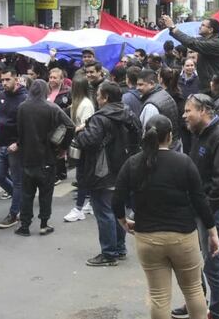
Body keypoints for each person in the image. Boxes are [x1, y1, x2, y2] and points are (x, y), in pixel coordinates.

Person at [114, 114, 219, 319]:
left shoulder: (133, 163)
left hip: (148, 238)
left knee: (159, 296)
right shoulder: (184, 162)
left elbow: (117, 200)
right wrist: (212, 231)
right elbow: (200, 201)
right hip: (183, 237)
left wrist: (124, 222)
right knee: (193, 290)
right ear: (170, 137)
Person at [175, 93, 219, 319]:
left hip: (214, 212)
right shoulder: (200, 133)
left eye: (188, 110)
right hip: (199, 209)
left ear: (203, 111)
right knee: (191, 258)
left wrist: (205, 211)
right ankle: (197, 302)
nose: (184, 115)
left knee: (213, 265)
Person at [75, 81, 141, 266]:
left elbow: (90, 141)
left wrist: (80, 132)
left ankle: (109, 253)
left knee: (105, 212)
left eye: (98, 95)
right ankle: (119, 248)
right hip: (125, 169)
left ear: (105, 98)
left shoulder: (100, 118)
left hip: (103, 171)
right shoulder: (129, 114)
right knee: (117, 210)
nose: (96, 98)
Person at [14, 79, 75, 236]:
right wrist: (62, 147)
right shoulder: (52, 107)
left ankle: (25, 225)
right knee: (46, 193)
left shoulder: (22, 107)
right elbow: (70, 126)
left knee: (27, 194)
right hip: (47, 157)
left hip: (27, 158)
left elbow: (19, 133)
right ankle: (44, 224)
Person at [0, 68, 26, 229]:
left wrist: (19, 143)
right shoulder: (1, 96)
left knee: (18, 180)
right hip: (0, 144)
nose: (4, 83)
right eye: (2, 80)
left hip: (15, 146)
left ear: (16, 79)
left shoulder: (24, 98)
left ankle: (14, 213)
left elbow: (28, 125)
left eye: (7, 80)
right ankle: (21, 199)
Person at [162, 15, 219, 93]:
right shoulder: (207, 40)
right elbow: (189, 40)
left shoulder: (216, 43)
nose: (200, 27)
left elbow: (192, 42)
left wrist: (173, 28)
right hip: (208, 86)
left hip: (213, 87)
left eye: (203, 25)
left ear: (210, 30)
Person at [64, 74, 96, 222]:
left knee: (82, 176)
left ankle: (79, 208)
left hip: (85, 144)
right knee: (83, 175)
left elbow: (88, 123)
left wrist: (75, 129)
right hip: (80, 142)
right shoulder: (77, 103)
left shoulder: (85, 104)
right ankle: (89, 203)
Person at [138, 69, 182, 152]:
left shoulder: (151, 106)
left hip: (159, 152)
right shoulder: (164, 94)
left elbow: (148, 135)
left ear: (151, 84)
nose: (137, 88)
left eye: (141, 84)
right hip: (172, 148)